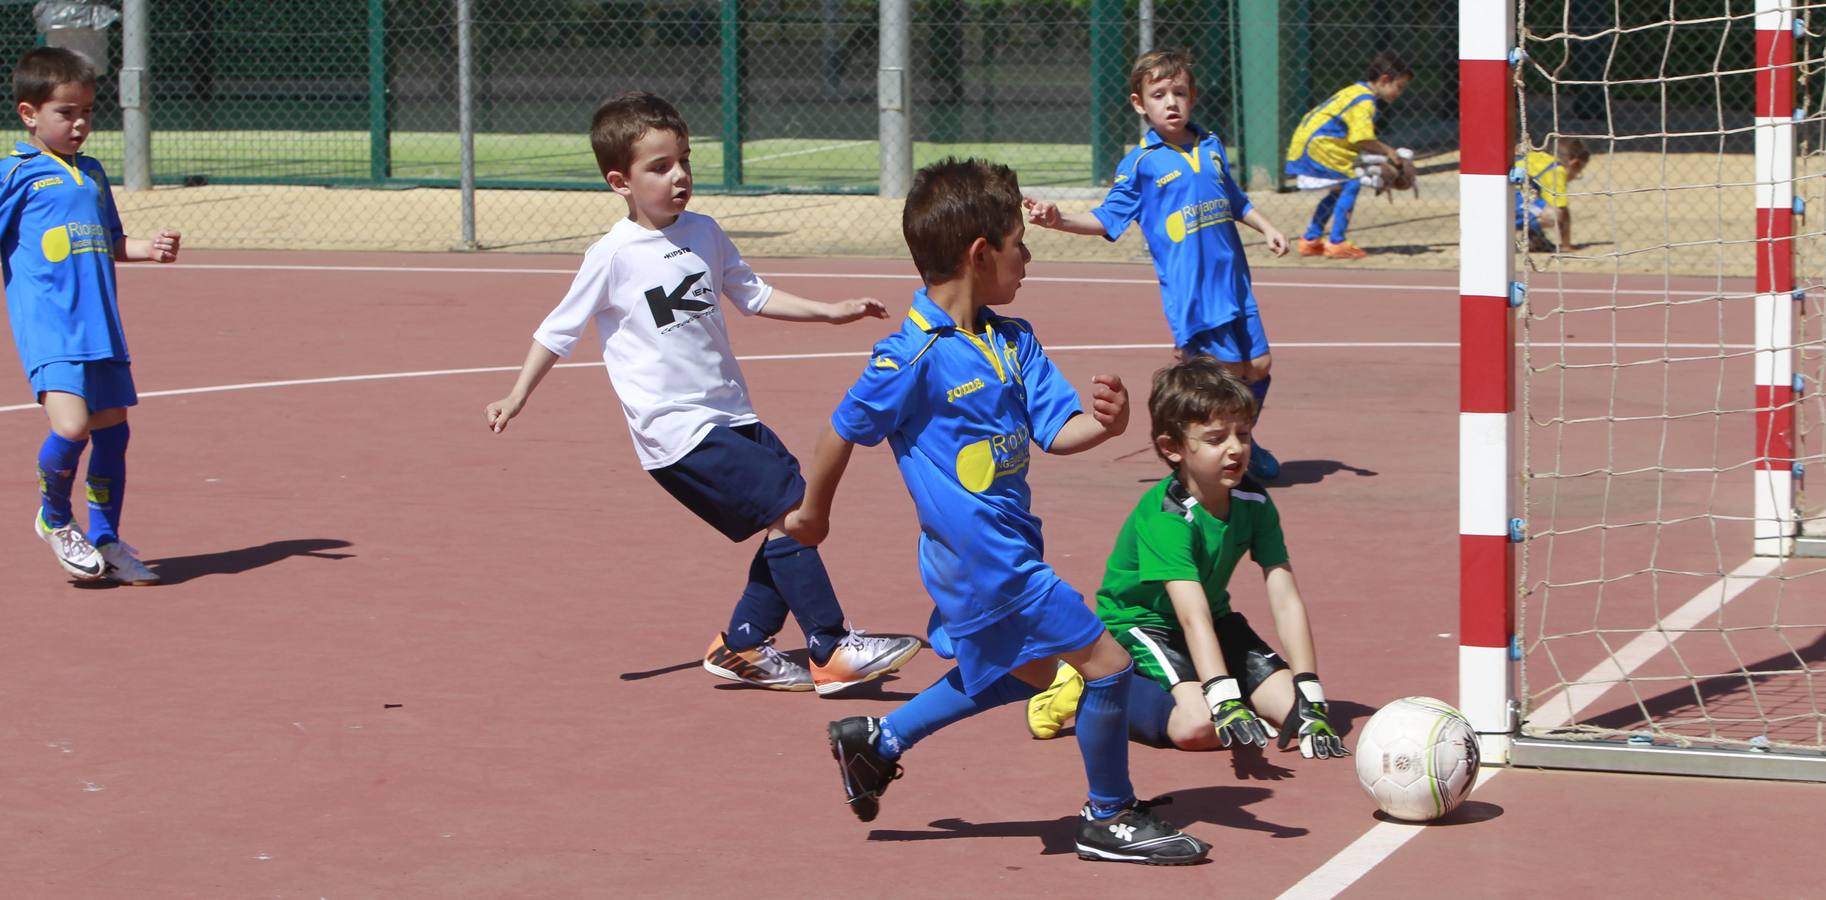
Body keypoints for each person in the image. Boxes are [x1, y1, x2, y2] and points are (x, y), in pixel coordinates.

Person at [786, 157, 1210, 866]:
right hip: (987, 566)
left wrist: (1104, 428)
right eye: (1021, 243)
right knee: (1105, 667)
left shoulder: (1014, 341)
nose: (1030, 257)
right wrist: (813, 515)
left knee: (1019, 674)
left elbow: (1057, 429)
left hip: (1011, 550)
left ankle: (878, 741)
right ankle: (1108, 817)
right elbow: (841, 429)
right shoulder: (913, 356)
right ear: (981, 255)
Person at [484, 91, 919, 696]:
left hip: (732, 414)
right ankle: (831, 646)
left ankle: (744, 645)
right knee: (792, 516)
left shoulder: (706, 233)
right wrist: (517, 394)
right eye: (659, 167)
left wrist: (831, 311)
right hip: (677, 431)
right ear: (621, 181)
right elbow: (558, 331)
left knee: (797, 516)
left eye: (684, 159)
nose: (679, 175)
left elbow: (754, 294)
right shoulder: (612, 256)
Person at [1026, 358, 1347, 762]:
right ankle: (1091, 686)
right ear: (1171, 448)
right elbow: (1189, 613)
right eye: (1216, 439)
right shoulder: (1167, 517)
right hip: (1145, 624)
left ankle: (1215, 689)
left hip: (1211, 619)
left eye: (1243, 434)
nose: (1235, 448)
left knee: (1295, 714)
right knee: (1200, 726)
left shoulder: (1254, 501)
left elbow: (1284, 596)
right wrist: (1224, 696)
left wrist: (1309, 689)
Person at [1024, 48, 1289, 483]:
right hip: (1195, 294)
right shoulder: (1141, 164)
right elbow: (1107, 218)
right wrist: (1059, 220)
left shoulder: (1212, 145)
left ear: (1193, 97)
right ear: (1139, 103)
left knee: (1257, 367)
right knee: (1220, 379)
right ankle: (1191, 452)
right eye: (1159, 93)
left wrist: (1266, 226)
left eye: (1179, 92)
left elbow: (1235, 199)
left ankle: (1241, 440)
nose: (1171, 102)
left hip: (1235, 284)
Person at [2, 47, 181, 585]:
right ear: (30, 113)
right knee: (72, 426)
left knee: (113, 431)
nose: (79, 123)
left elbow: (109, 239)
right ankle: (54, 519)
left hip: (99, 323)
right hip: (49, 326)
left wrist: (148, 249)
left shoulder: (93, 172)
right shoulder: (17, 173)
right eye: (65, 112)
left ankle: (105, 537)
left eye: (87, 111)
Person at [1283, 51, 1415, 260]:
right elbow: (1362, 138)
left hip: (1313, 143)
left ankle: (1311, 239)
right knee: (1351, 183)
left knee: (1339, 189)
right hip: (1320, 145)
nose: (1400, 92)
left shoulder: (1356, 91)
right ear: (1384, 80)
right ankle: (1337, 242)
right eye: (1399, 86)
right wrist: (1388, 152)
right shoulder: (1365, 101)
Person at [1516, 138, 1590, 253]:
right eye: (1578, 171)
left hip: (1502, 195)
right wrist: (1566, 245)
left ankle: (1535, 240)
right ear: (1574, 164)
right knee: (1553, 214)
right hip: (1514, 200)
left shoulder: (1536, 156)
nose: (1576, 176)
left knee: (1536, 204)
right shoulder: (1557, 169)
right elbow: (1563, 210)